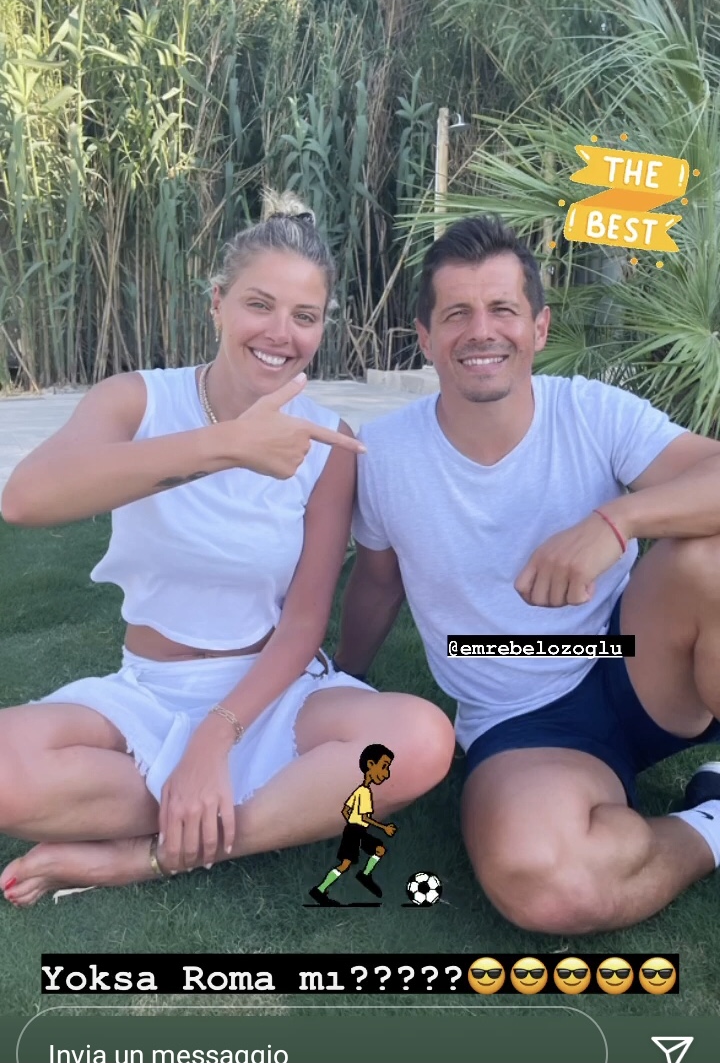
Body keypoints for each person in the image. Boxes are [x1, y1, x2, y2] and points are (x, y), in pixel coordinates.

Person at [0, 193, 455, 907]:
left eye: (304, 316)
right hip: (149, 691)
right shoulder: (138, 401)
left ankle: (149, 855)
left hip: (272, 695)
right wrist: (226, 445)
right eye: (259, 305)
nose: (281, 333)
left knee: (420, 740)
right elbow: (25, 499)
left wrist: (217, 738)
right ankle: (255, 802)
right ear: (217, 303)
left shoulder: (327, 442)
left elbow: (304, 622)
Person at [337, 213, 720, 935]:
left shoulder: (589, 411)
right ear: (425, 338)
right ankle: (709, 822)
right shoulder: (384, 455)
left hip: (638, 659)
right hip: (522, 720)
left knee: (710, 558)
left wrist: (617, 522)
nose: (482, 331)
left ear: (538, 327)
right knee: (545, 882)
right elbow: (379, 583)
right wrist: (341, 678)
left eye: (502, 309)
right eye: (457, 314)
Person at [309, 743, 396, 905]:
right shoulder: (364, 792)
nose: (386, 773)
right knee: (345, 864)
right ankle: (320, 890)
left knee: (379, 850)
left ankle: (364, 875)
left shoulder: (359, 790)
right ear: (371, 764)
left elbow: (345, 809)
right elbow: (365, 817)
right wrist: (383, 827)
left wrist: (351, 822)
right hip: (355, 831)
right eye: (384, 766)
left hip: (356, 830)